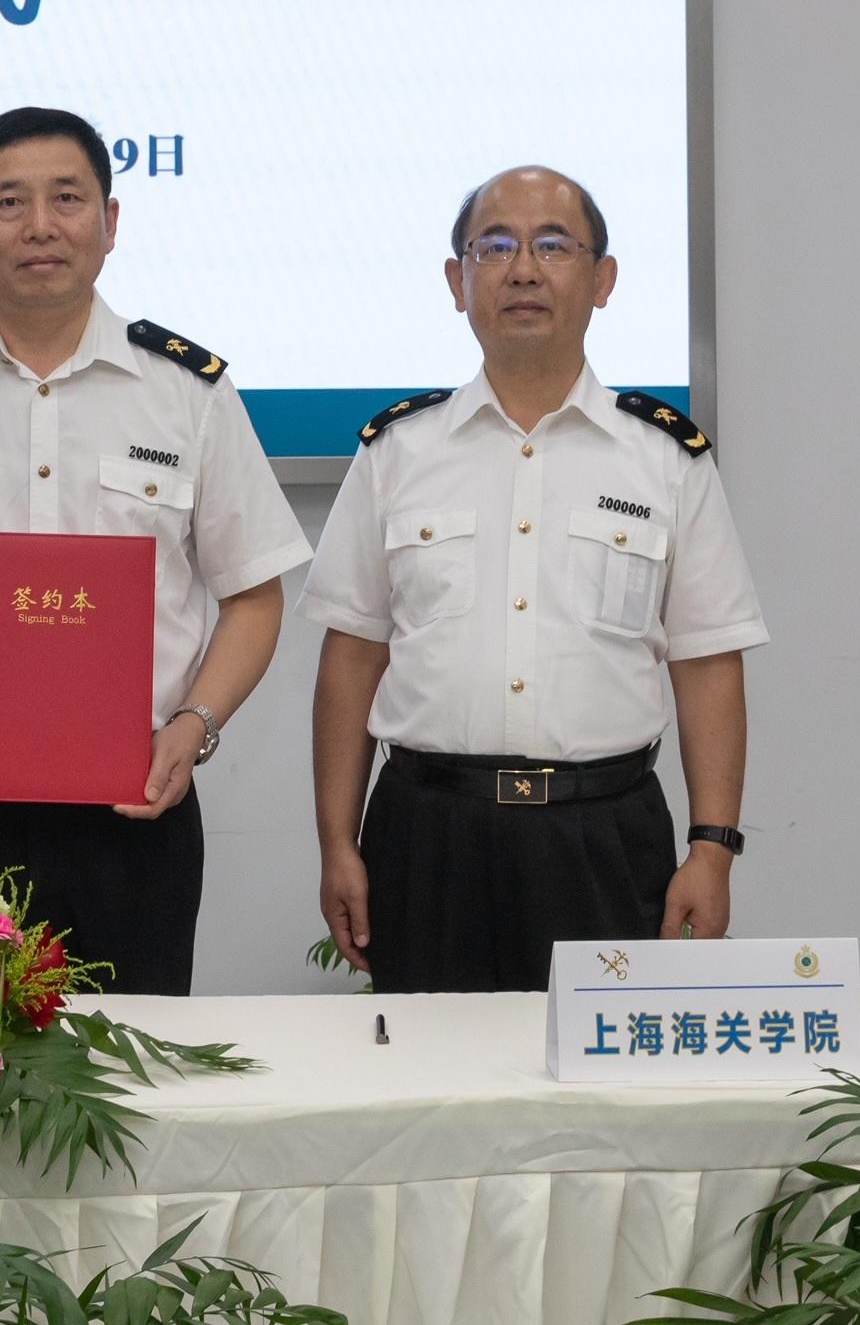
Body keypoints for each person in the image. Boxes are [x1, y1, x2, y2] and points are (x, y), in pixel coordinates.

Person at [0, 106, 312, 994]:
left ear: (110, 222)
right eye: (9, 202)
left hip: (129, 791)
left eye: (67, 199)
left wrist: (195, 726)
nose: (40, 225)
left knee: (128, 1058)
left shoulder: (186, 391)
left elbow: (253, 595)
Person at [303, 166, 767, 993]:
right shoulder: (397, 453)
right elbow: (353, 657)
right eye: (495, 247)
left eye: (553, 246)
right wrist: (337, 842)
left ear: (603, 279)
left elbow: (707, 662)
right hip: (427, 834)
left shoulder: (665, 458)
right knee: (430, 1066)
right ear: (458, 280)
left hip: (603, 835)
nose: (523, 270)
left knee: (602, 1072)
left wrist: (713, 846)